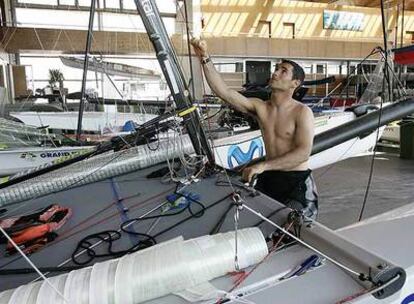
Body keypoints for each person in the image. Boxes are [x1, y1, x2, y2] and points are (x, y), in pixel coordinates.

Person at [191, 38, 318, 219]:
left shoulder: (302, 112)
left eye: (283, 71)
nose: (275, 73)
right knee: (257, 226)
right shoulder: (261, 108)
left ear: (295, 83)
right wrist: (204, 57)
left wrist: (262, 165)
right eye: (276, 69)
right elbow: (224, 92)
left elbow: (303, 154)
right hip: (269, 177)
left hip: (296, 181)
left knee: (295, 231)